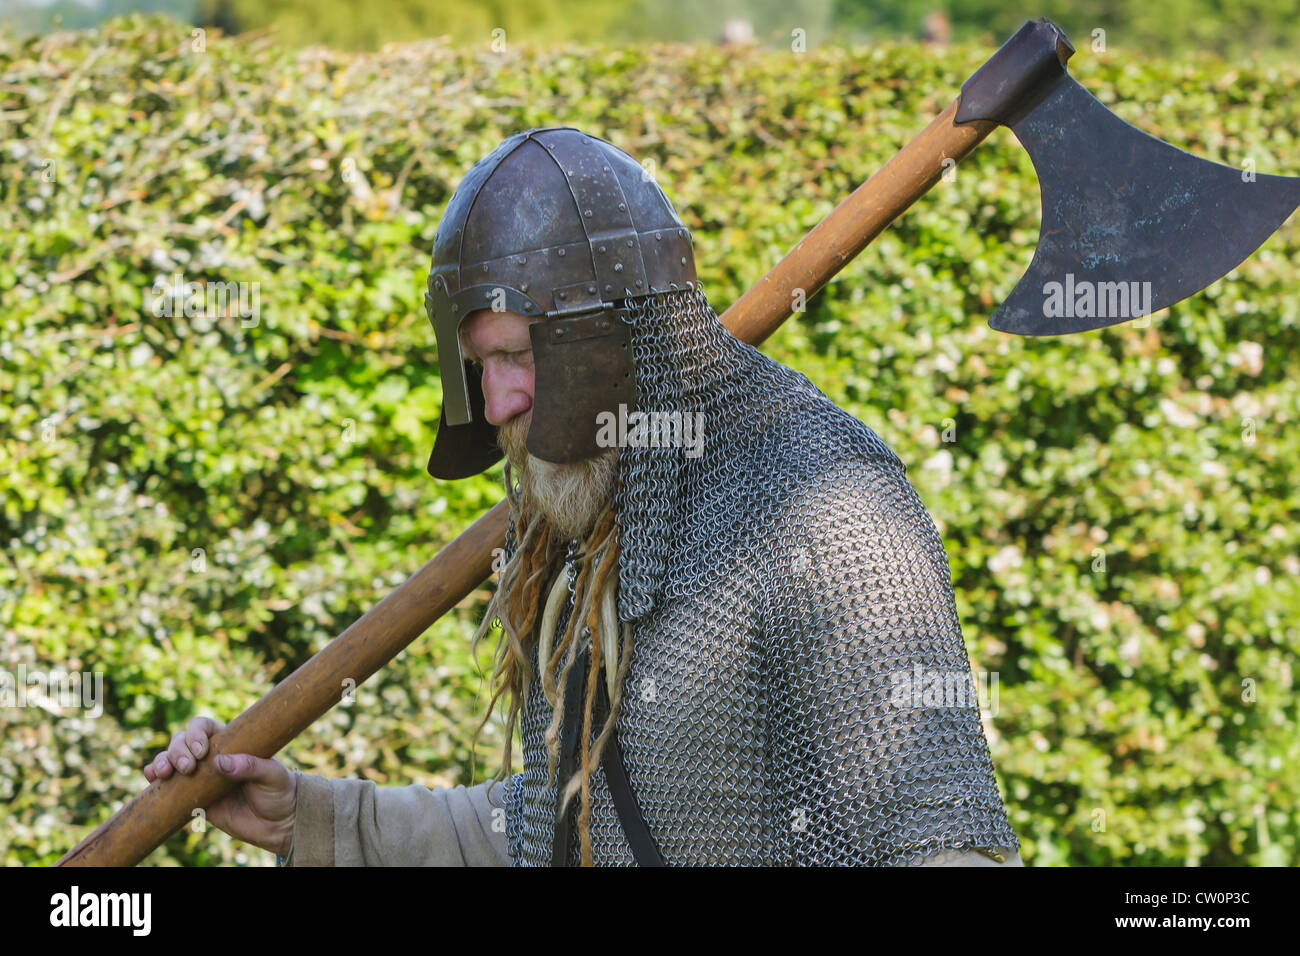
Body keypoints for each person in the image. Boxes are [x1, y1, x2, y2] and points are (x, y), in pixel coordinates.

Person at [144, 127, 1023, 866]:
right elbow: (564, 822)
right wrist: (319, 818)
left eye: (520, 358)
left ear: (616, 339)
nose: (497, 406)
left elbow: (940, 835)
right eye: (479, 367)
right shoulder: (606, 514)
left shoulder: (822, 501)